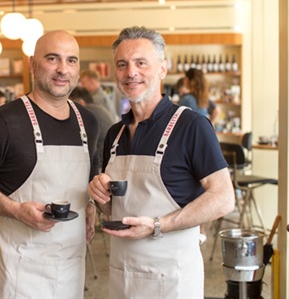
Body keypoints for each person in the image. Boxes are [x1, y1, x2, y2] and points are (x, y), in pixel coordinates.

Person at [88, 26, 235, 298]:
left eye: (141, 63)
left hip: (172, 277)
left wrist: (158, 225)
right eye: (122, 64)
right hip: (123, 274)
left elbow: (224, 197)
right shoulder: (114, 134)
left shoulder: (191, 125)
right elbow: (112, 210)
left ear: (162, 69)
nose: (131, 72)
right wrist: (100, 194)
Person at [0, 30, 99, 298]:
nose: (62, 69)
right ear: (32, 64)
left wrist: (91, 203)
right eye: (52, 58)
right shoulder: (5, 121)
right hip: (21, 269)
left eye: (71, 60)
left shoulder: (87, 122)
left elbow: (92, 170)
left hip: (71, 265)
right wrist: (15, 210)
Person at [69, 86, 116, 166]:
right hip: (109, 158)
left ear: (80, 102)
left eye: (71, 104)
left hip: (101, 162)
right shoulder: (98, 108)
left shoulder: (87, 113)